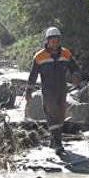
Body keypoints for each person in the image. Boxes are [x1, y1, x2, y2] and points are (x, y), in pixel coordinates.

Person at [24, 27, 81, 155]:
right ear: (47, 41)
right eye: (52, 41)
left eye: (57, 41)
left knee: (61, 115)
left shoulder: (66, 53)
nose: (54, 43)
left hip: (62, 89)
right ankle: (58, 143)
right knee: (51, 114)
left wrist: (76, 77)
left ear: (59, 40)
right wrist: (28, 92)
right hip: (48, 91)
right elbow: (33, 75)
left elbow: (75, 68)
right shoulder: (39, 57)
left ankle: (53, 140)